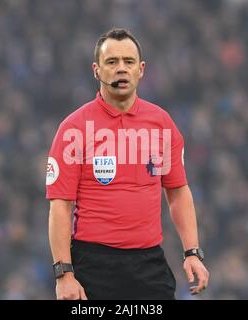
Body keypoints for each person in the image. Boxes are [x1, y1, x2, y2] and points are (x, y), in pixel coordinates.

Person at [46, 28, 209, 300]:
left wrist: (192, 251)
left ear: (141, 69)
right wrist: (64, 274)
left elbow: (178, 192)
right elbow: (60, 206)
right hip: (93, 265)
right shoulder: (73, 129)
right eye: (112, 62)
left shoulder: (162, 124)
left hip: (149, 264)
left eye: (128, 62)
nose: (121, 69)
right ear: (96, 70)